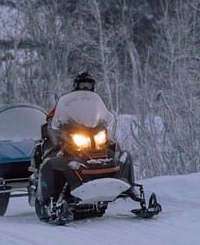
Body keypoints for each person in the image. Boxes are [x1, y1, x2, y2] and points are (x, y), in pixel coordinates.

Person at [33, 71, 138, 205]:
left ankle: (129, 186)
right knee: (58, 158)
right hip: (72, 135)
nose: (85, 89)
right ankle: (52, 195)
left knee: (120, 153)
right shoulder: (68, 102)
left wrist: (104, 121)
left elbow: (103, 114)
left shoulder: (95, 102)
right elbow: (54, 115)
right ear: (76, 85)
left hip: (93, 135)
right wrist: (56, 120)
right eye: (83, 85)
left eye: (88, 86)